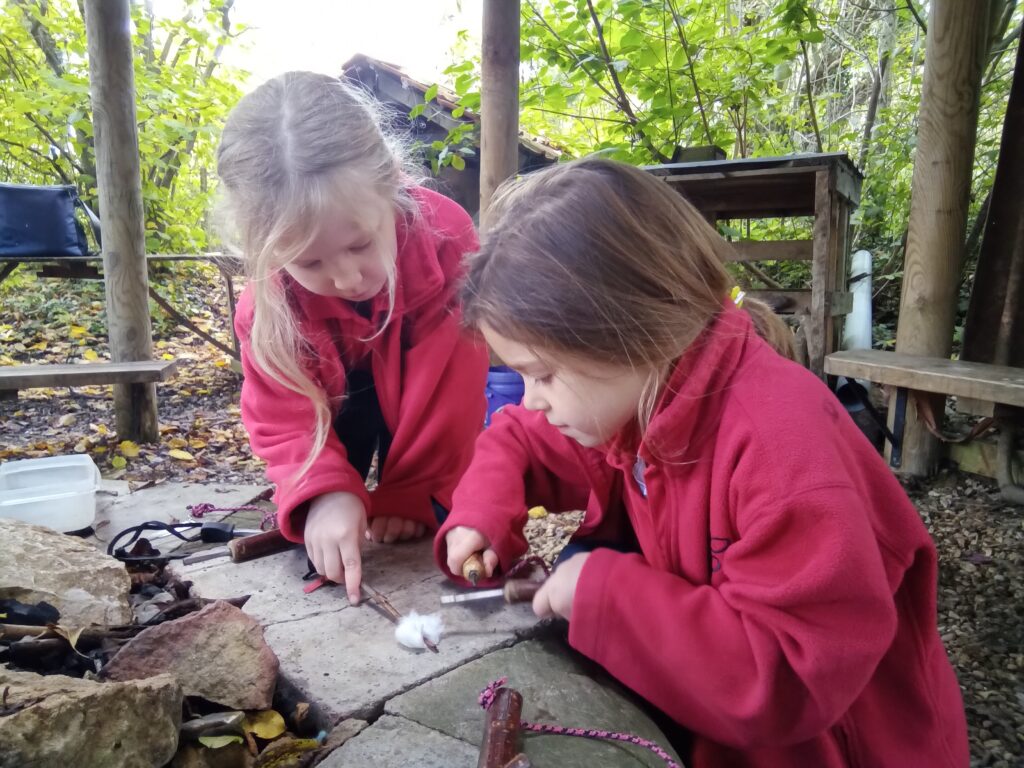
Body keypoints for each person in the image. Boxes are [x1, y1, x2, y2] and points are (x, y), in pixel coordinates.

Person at [436, 158, 968, 766]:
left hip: (848, 748)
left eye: (543, 374)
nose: (533, 398)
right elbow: (520, 436)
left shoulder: (780, 447)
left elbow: (792, 675)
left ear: (626, 330)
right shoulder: (644, 396)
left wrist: (605, 596)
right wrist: (481, 515)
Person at [217, 71, 488, 604]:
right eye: (309, 262)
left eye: (361, 244)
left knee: (421, 514)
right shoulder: (266, 304)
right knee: (327, 513)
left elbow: (451, 383)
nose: (346, 279)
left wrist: (409, 490)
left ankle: (406, 484)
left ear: (391, 185)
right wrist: (323, 492)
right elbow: (281, 412)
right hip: (335, 392)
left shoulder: (444, 238)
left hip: (417, 399)